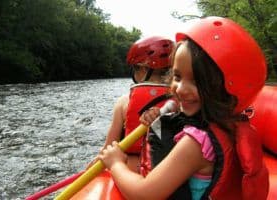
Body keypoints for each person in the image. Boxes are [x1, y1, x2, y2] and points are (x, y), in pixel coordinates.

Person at [98, 16, 269, 199]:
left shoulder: (195, 144)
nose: (180, 89)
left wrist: (116, 163)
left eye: (196, 81)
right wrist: (159, 123)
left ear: (227, 88)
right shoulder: (229, 123)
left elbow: (143, 194)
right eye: (177, 77)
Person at [87, 36, 175, 172]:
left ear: (143, 69)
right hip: (169, 172)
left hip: (131, 173)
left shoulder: (123, 102)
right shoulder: (182, 99)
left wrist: (98, 161)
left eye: (135, 68)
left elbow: (108, 148)